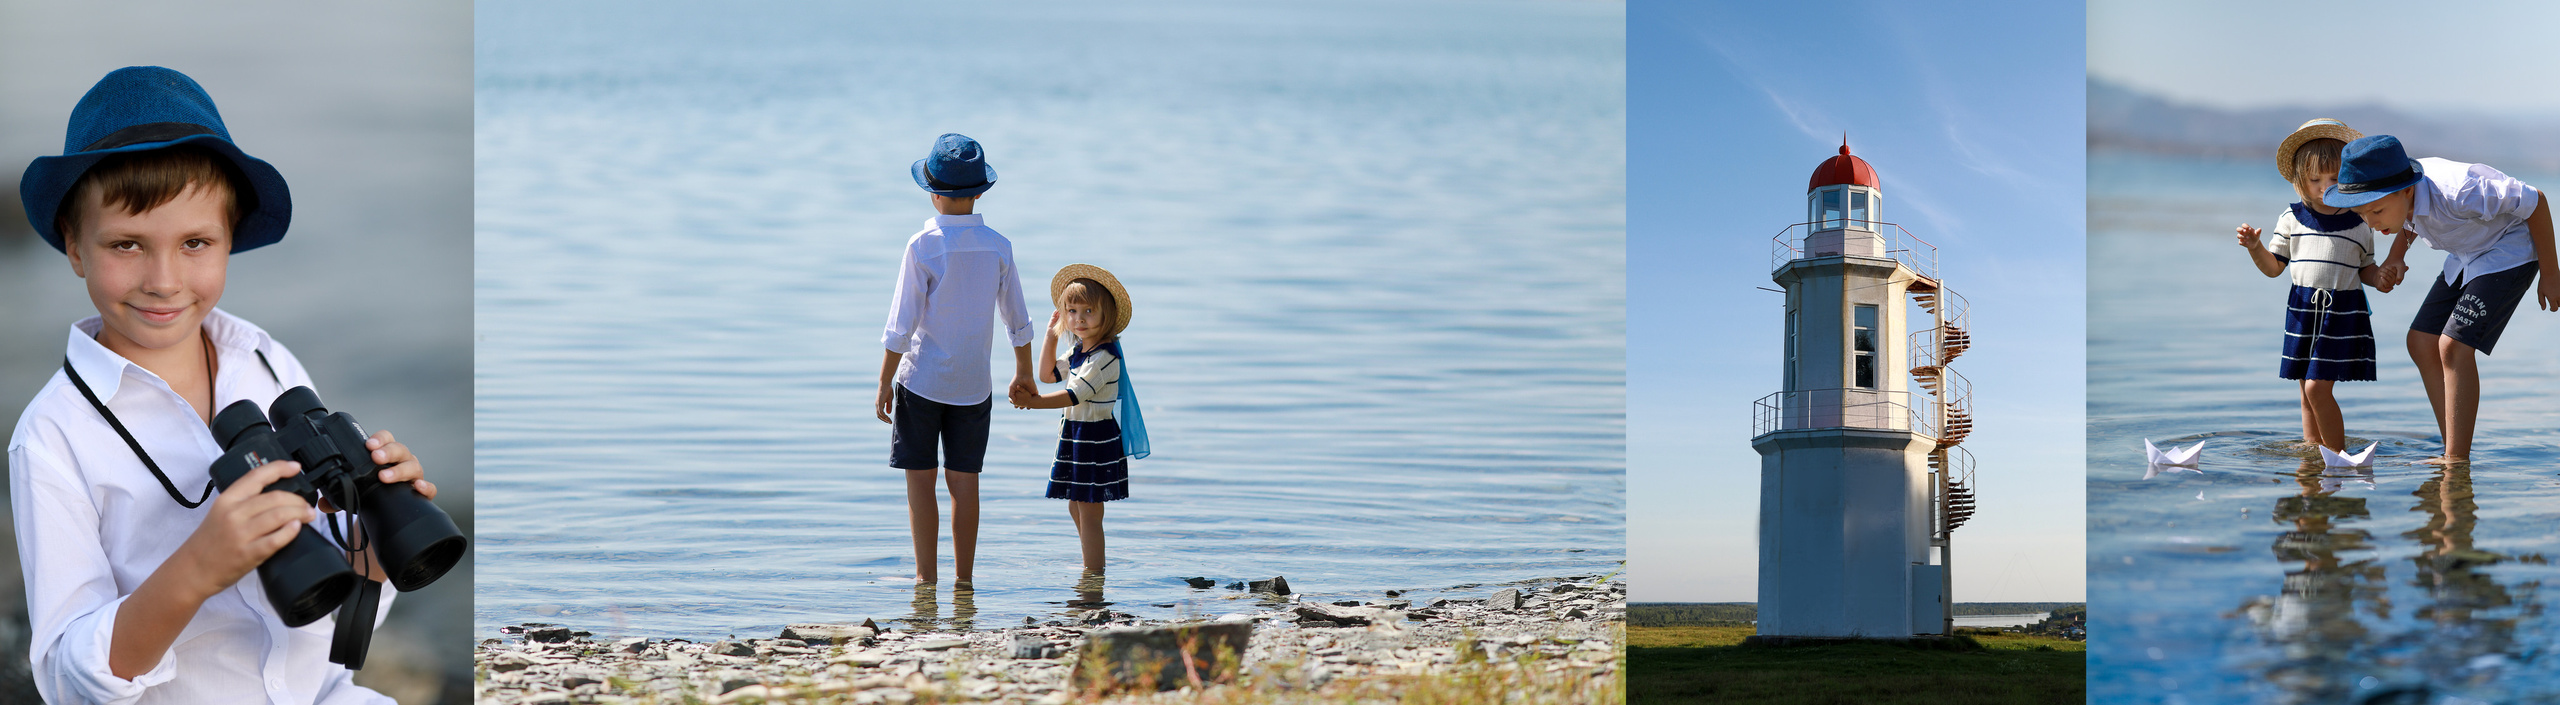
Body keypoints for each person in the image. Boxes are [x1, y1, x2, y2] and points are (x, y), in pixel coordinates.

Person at [10, 66, 437, 704]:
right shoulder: (52, 437)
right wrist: (197, 569)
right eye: (126, 244)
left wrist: (374, 536)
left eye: (195, 243)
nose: (163, 279)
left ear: (229, 240)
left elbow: (330, 589)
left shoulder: (265, 362)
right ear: (74, 246)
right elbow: (73, 679)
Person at [2336, 134, 2560, 465]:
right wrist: (2396, 255)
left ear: (2407, 189)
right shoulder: (2404, 193)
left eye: (2377, 211)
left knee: (2452, 346)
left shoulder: (2462, 189)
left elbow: (2535, 201)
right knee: (2420, 341)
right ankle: (2451, 443)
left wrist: (2551, 273)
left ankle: (2456, 460)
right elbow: (2409, 218)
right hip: (2466, 256)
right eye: (2362, 213)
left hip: (2511, 252)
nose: (2371, 222)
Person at [876, 133, 1036, 585]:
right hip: (973, 385)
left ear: (931, 190)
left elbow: (900, 326)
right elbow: (1017, 318)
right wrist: (1024, 371)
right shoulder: (998, 245)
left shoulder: (922, 246)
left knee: (919, 483)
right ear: (981, 190)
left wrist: (884, 381)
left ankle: (925, 582)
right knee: (965, 484)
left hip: (922, 381)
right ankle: (963, 583)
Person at [2233, 119, 2395, 452]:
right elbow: (2273, 268)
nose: (2324, 187)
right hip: (2303, 311)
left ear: (2349, 178)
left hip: (2342, 312)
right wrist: (2255, 248)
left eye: (2334, 179)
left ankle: (2336, 456)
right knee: (2304, 389)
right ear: (2300, 181)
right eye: (2315, 180)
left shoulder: (2360, 222)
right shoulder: (2291, 219)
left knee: (2317, 388)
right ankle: (2312, 452)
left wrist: (2380, 278)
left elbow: (2364, 268)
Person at [1012, 264, 1148, 576]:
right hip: (1076, 433)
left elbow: (1073, 395)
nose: (1079, 318)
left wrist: (1032, 404)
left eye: (1088, 310)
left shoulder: (1104, 357)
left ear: (1107, 315)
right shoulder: (1079, 350)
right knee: (1075, 505)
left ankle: (1094, 575)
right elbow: (1047, 375)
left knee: (1089, 511)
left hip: (1095, 437)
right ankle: (1091, 564)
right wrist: (1050, 335)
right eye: (1071, 311)